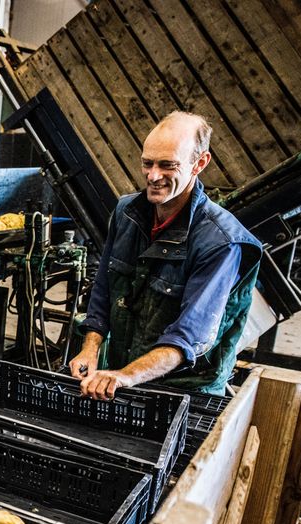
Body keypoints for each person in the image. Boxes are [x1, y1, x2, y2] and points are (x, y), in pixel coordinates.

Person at [69, 111, 262, 399]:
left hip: (186, 393)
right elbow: (104, 290)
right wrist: (91, 347)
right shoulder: (126, 214)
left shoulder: (221, 243)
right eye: (147, 163)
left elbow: (187, 338)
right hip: (126, 377)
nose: (153, 176)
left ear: (200, 163)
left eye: (168, 165)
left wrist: (124, 376)